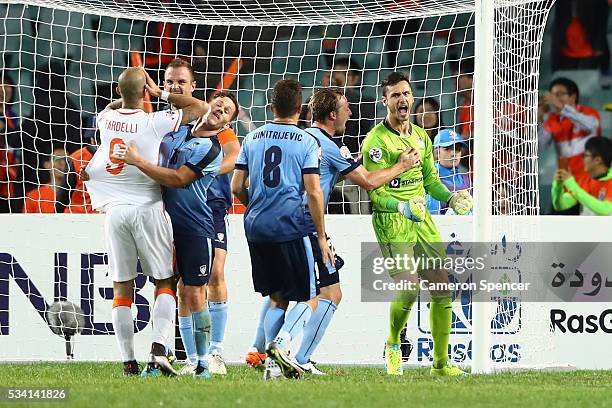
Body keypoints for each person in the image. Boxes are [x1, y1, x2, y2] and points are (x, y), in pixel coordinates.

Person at [244, 88, 418, 374]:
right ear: (333, 115)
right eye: (346, 108)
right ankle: (289, 349)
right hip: (305, 226)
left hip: (267, 220)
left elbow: (243, 184)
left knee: (280, 294)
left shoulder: (297, 137)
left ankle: (259, 351)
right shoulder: (327, 145)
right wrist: (401, 165)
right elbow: (369, 182)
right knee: (324, 293)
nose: (351, 113)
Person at [83, 67, 210, 377]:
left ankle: (128, 362)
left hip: (115, 212)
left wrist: (127, 98)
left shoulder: (104, 120)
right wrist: (161, 94)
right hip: (148, 207)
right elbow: (201, 108)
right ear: (144, 92)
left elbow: (113, 108)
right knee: (165, 282)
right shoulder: (154, 122)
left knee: (121, 288)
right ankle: (157, 350)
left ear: (118, 91)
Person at [361, 72, 473, 377]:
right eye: (395, 95)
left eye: (406, 94)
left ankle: (440, 364)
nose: (402, 99)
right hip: (392, 220)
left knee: (442, 289)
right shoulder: (376, 141)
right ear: (385, 101)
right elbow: (374, 191)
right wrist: (401, 206)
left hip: (421, 218)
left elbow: (431, 181)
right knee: (409, 289)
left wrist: (451, 199)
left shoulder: (421, 137)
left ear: (412, 98)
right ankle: (394, 345)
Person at [231, 79, 333, 380]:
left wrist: (258, 206)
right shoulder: (306, 142)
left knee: (277, 297)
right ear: (300, 109)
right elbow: (314, 192)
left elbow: (237, 186)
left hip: (256, 227)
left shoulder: (252, 138)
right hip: (290, 226)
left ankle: (272, 368)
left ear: (271, 106)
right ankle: (282, 344)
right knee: (311, 297)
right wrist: (321, 235)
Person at [161, 58, 240, 376]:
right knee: (183, 286)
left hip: (212, 209)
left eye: (181, 82)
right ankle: (192, 357)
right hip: (175, 210)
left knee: (216, 274)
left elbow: (233, 158)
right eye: (169, 82)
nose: (175, 87)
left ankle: (216, 353)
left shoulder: (222, 131)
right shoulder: (176, 126)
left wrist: (201, 173)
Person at [539, 77, 601, 180]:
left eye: (559, 94)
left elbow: (591, 126)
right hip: (566, 179)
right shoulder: (552, 119)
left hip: (590, 178)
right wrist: (539, 118)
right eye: (552, 96)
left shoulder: (588, 112)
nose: (554, 99)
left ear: (573, 97)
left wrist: (563, 108)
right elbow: (539, 146)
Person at [552, 137, 612, 216]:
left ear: (597, 160)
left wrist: (572, 185)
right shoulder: (585, 181)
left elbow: (605, 210)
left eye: (585, 155)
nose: (582, 158)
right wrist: (558, 186)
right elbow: (560, 205)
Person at [330, 57, 376, 154]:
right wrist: (325, 93)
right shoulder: (324, 98)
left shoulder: (367, 101)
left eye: (344, 74)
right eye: (335, 74)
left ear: (355, 78)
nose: (338, 78)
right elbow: (305, 116)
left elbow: (363, 126)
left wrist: (342, 92)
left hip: (353, 152)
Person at [427, 129, 471, 215]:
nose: (453, 153)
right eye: (448, 149)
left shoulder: (466, 179)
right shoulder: (429, 178)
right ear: (436, 152)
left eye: (457, 149)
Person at [22, 147, 67, 213]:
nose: (63, 163)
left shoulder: (77, 195)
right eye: (57, 159)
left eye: (67, 159)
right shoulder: (34, 197)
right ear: (47, 164)